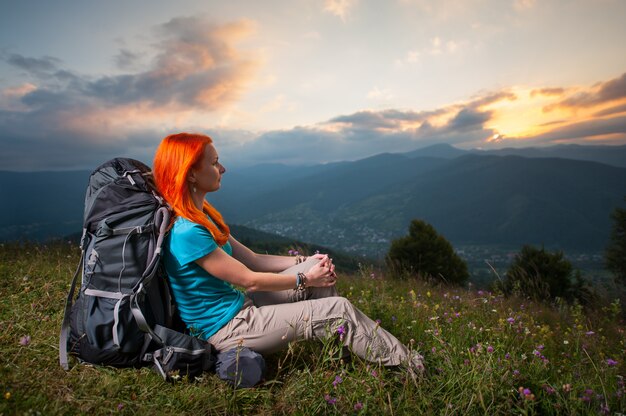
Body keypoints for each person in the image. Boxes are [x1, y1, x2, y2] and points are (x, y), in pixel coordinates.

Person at [152, 132, 425, 378]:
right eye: (214, 163)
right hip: (226, 330)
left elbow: (254, 259)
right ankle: (411, 368)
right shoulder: (187, 232)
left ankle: (340, 354)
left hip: (240, 309)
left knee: (315, 274)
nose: (222, 168)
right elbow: (251, 280)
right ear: (190, 173)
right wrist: (305, 278)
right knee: (337, 310)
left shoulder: (203, 217)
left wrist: (306, 263)